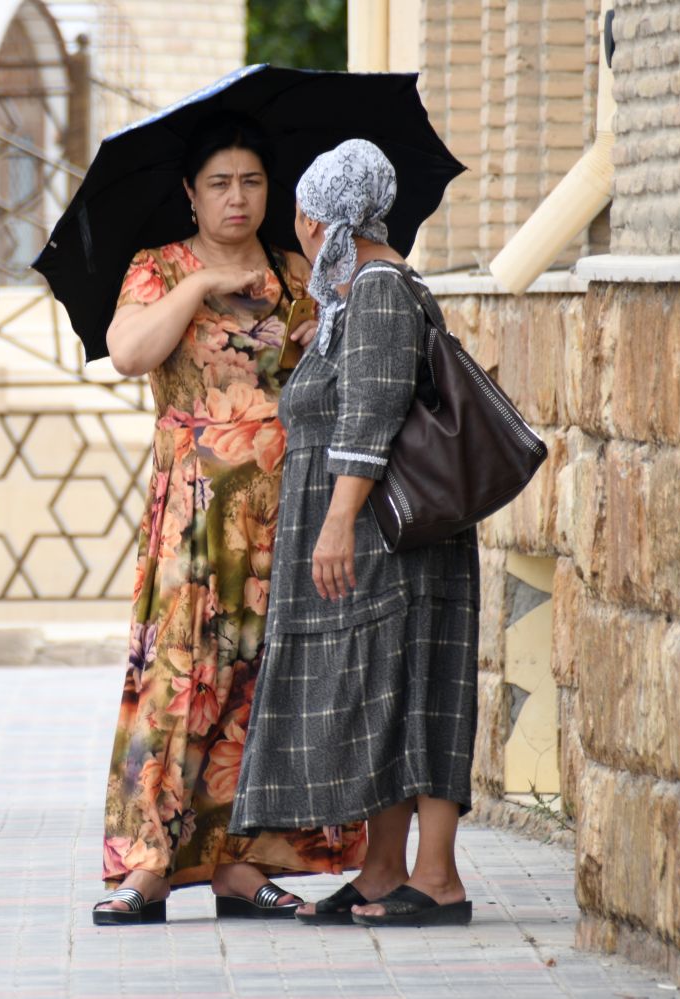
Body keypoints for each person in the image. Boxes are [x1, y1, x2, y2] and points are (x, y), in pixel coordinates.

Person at [93, 115, 367, 927]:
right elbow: (130, 353)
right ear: (191, 192)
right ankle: (147, 866)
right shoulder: (160, 266)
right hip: (196, 512)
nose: (238, 197)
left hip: (288, 509)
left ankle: (242, 869)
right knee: (181, 677)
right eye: (220, 183)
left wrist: (327, 333)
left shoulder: (296, 270)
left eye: (251, 181)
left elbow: (337, 380)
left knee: (263, 686)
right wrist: (197, 290)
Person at [228, 139, 480, 928]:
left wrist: (337, 523)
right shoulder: (362, 297)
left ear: (317, 215)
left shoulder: (376, 289)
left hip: (381, 533)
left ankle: (436, 878)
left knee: (416, 693)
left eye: (300, 208)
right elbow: (360, 390)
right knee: (386, 693)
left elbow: (370, 417)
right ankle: (382, 870)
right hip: (376, 534)